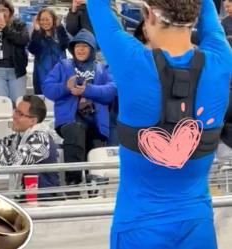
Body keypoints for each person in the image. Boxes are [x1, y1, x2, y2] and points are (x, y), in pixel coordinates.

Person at [87, 0, 232, 248]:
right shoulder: (222, 58)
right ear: (196, 15)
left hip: (138, 228)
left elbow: (97, 5)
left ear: (149, 15)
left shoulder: (131, 60)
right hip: (197, 227)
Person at [43, 29, 117, 187]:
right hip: (70, 120)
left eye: (85, 46)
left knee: (96, 148)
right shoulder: (63, 66)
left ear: (92, 49)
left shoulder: (103, 69)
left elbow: (111, 91)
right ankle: (73, 184)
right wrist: (65, 87)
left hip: (96, 122)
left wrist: (87, 90)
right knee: (75, 132)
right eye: (77, 46)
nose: (81, 49)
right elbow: (48, 89)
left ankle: (96, 191)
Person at [0, 95, 61, 198]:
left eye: (20, 113)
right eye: (15, 111)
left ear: (33, 121)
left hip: (45, 202)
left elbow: (13, 160)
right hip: (28, 199)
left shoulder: (41, 139)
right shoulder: (19, 137)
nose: (14, 116)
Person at [28, 7, 70, 95]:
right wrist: (36, 30)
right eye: (42, 19)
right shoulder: (37, 35)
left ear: (53, 20)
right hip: (41, 76)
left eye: (47, 19)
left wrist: (60, 27)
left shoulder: (59, 33)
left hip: (60, 75)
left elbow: (66, 44)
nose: (45, 22)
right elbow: (33, 49)